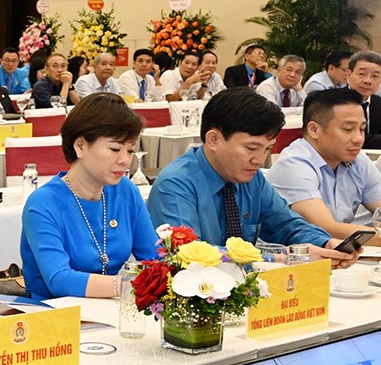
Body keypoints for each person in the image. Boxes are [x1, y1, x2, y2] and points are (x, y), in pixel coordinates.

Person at [148, 89, 356, 264]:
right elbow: (188, 256)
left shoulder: (251, 178)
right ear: (213, 139)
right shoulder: (176, 184)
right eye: (251, 148)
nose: (260, 160)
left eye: (268, 149)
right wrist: (282, 257)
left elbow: (286, 225)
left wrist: (325, 243)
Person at [21, 94, 159, 301]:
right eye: (114, 149)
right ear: (80, 146)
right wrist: (128, 285)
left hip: (111, 309)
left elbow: (154, 258)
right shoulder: (43, 203)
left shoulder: (126, 191)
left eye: (130, 150)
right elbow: (58, 279)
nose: (125, 160)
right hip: (53, 315)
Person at [268, 88, 381, 245]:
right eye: (348, 129)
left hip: (339, 257)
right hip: (292, 260)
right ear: (314, 129)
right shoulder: (294, 164)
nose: (358, 138)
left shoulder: (358, 159)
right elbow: (326, 228)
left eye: (361, 129)